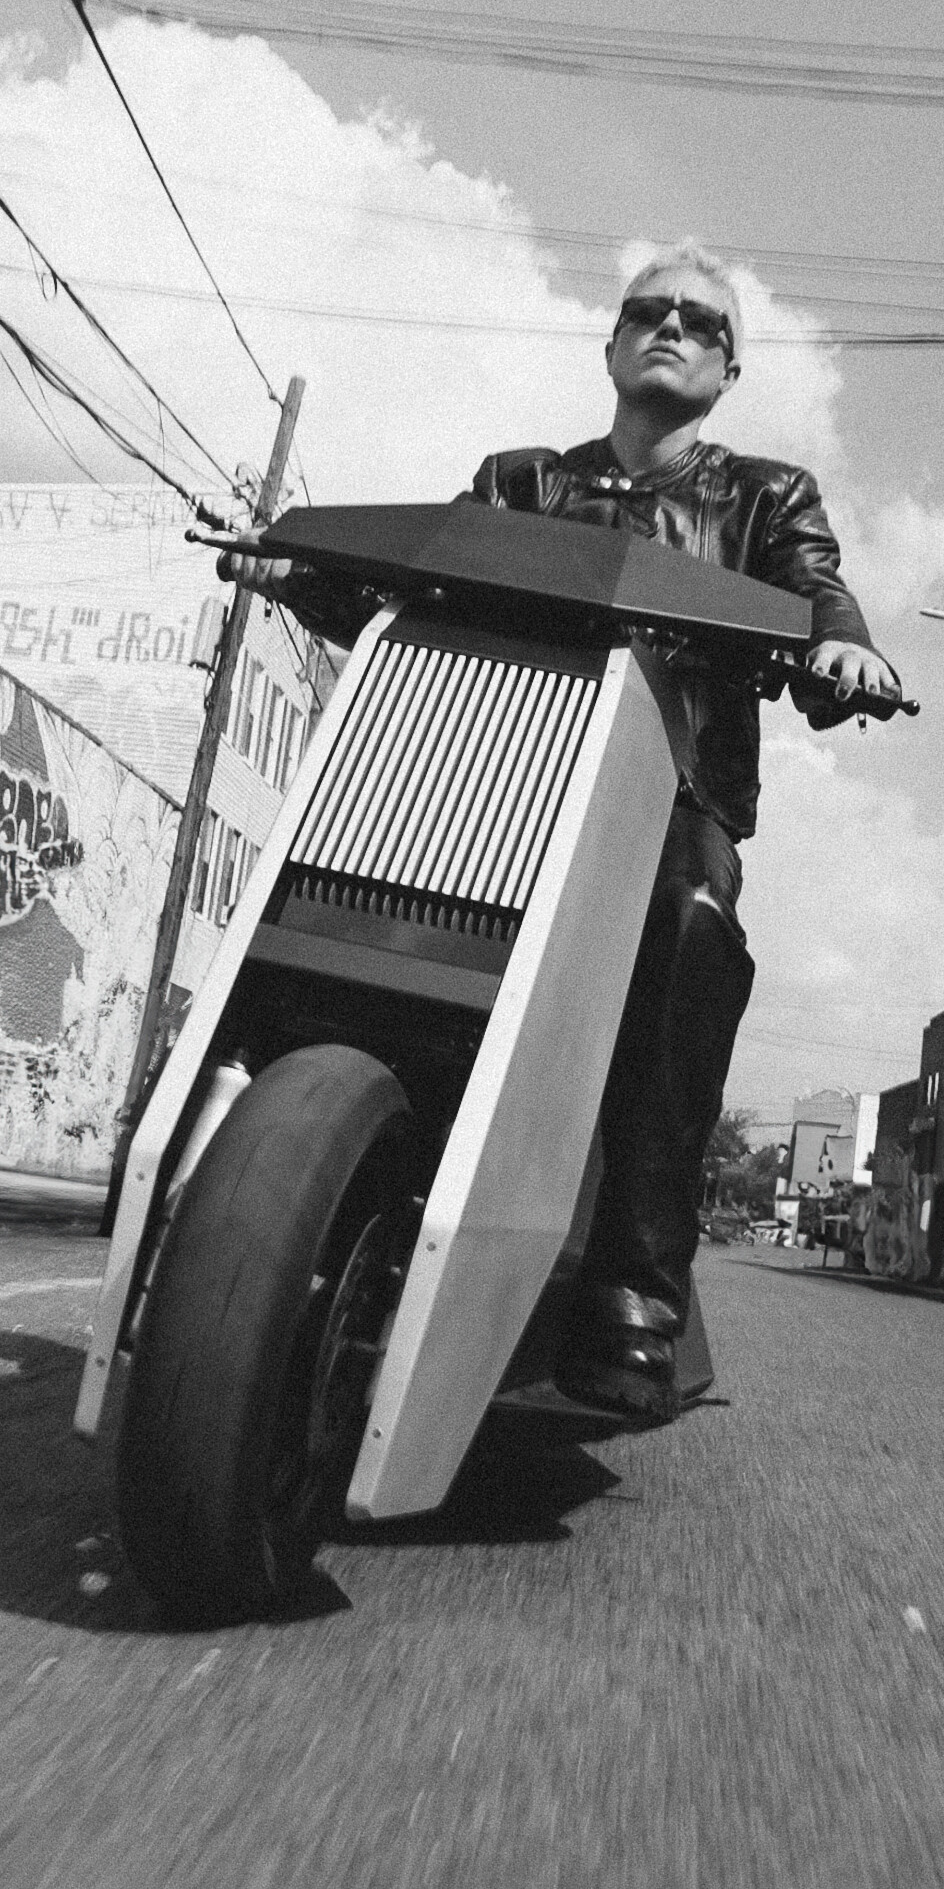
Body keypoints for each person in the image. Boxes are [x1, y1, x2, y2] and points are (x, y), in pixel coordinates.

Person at [241, 245, 899, 1419]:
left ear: (729, 371)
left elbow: (815, 591)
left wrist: (841, 644)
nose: (672, 326)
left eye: (702, 322)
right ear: (610, 344)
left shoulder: (766, 498)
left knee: (692, 920)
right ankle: (220, 1133)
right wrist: (300, 573)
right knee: (314, 876)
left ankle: (633, 1287)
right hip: (485, 782)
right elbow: (420, 587)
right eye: (649, 311)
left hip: (667, 798)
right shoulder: (519, 482)